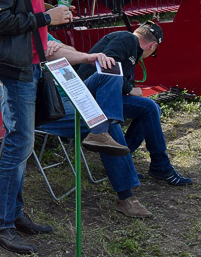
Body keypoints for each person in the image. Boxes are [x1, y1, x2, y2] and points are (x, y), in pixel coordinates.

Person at [0, 0, 129, 254]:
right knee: (19, 143)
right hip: (14, 66)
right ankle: (1, 224)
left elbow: (15, 10)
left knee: (22, 142)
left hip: (27, 61)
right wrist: (49, 19)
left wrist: (43, 10)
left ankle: (14, 215)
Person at [45, 38, 158, 218]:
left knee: (109, 69)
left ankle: (100, 132)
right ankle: (126, 197)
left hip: (73, 90)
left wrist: (59, 47)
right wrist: (49, 49)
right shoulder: (18, 33)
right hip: (47, 104)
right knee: (102, 118)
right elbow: (39, 54)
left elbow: (70, 51)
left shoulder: (42, 31)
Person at [75, 22, 193, 191]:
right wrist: (130, 89)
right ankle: (160, 166)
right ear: (152, 46)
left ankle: (124, 158)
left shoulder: (129, 46)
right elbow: (108, 66)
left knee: (151, 109)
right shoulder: (127, 38)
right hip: (91, 96)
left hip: (98, 95)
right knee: (149, 108)